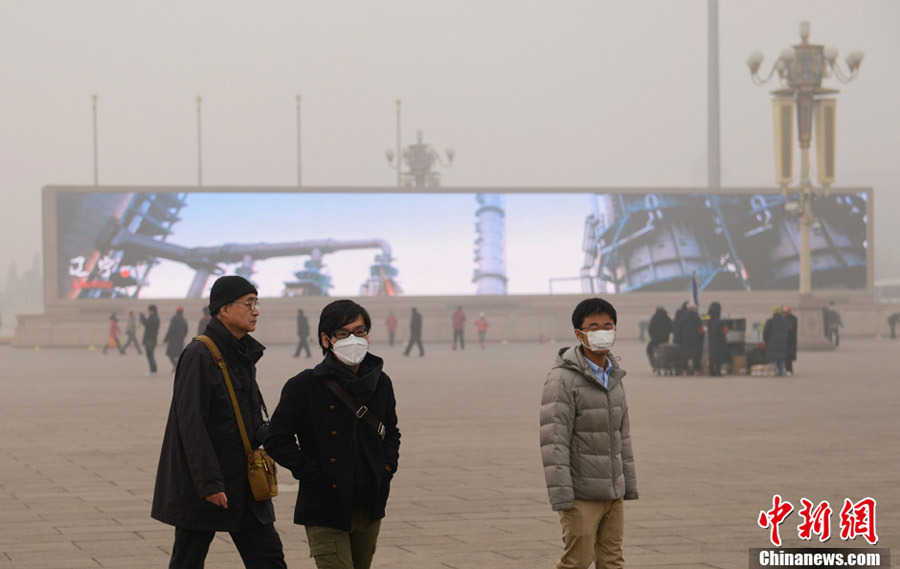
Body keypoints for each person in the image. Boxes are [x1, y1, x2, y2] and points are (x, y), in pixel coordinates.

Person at [151, 275, 286, 569]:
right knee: (188, 559)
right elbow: (190, 424)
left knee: (269, 558)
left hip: (245, 480)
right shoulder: (200, 354)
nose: (256, 310)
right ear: (224, 309)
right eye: (249, 303)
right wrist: (209, 482)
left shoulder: (242, 351)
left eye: (256, 302)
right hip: (207, 485)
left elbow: (245, 417)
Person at [265, 299, 401, 569]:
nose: (353, 338)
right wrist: (313, 473)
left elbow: (391, 431)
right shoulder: (304, 385)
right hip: (326, 507)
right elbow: (276, 439)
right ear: (326, 339)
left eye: (360, 331)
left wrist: (385, 467)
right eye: (343, 333)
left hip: (369, 506)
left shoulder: (380, 382)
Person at [540, 298, 638, 569]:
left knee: (613, 562)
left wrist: (626, 485)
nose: (602, 332)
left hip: (612, 492)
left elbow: (623, 437)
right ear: (578, 333)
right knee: (577, 562)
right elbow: (554, 441)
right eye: (593, 327)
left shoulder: (615, 377)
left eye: (608, 326)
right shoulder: (562, 380)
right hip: (581, 494)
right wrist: (563, 496)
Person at [675, 303, 704, 376]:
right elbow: (701, 330)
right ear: (694, 309)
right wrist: (701, 338)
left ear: (687, 309)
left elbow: (679, 330)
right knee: (696, 357)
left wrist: (679, 340)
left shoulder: (683, 318)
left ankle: (684, 371)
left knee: (685, 356)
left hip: (685, 340)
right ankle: (696, 372)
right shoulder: (697, 318)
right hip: (695, 340)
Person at [763, 305, 789, 376]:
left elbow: (765, 333)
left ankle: (774, 372)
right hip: (782, 344)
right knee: (781, 359)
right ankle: (781, 372)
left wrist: (766, 340)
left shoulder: (770, 322)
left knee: (773, 359)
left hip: (772, 344)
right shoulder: (785, 322)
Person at [706, 301, 730, 377]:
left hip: (711, 340)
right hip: (719, 341)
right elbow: (724, 330)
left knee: (712, 356)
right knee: (719, 357)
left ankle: (711, 371)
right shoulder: (719, 321)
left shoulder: (709, 321)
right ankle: (718, 372)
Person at [646, 307, 672, 371]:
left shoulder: (655, 318)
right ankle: (666, 365)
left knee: (649, 350)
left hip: (655, 341)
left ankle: (654, 365)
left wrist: (653, 337)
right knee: (665, 353)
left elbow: (650, 329)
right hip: (665, 340)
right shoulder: (668, 318)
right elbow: (671, 329)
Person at [164, 306, 189, 371]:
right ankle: (179, 367)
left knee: (170, 354)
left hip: (173, 340)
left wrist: (166, 338)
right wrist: (182, 336)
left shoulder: (174, 318)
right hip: (180, 340)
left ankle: (176, 366)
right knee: (179, 354)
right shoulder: (184, 320)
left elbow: (171, 329)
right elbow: (186, 331)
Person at [140, 305, 160, 376]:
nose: (149, 312)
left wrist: (142, 317)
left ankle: (153, 371)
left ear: (153, 311)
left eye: (150, 310)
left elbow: (146, 323)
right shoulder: (154, 318)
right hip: (151, 339)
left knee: (150, 355)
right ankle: (153, 370)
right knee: (150, 355)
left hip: (150, 339)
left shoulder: (154, 318)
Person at [784, 306, 798, 375]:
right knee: (784, 356)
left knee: (789, 357)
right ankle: (785, 369)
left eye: (785, 312)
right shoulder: (783, 318)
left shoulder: (793, 319)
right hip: (784, 340)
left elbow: (792, 328)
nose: (784, 313)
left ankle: (789, 370)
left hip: (790, 341)